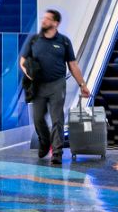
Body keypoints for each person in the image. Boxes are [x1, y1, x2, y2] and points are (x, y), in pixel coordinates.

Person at [19, 9, 90, 166]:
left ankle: (57, 152)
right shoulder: (34, 40)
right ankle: (45, 141)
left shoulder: (64, 41)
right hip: (38, 85)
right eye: (43, 18)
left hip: (57, 84)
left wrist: (82, 85)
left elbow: (73, 65)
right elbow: (22, 61)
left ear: (56, 23)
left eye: (47, 19)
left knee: (57, 118)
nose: (43, 21)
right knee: (38, 119)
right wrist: (29, 74)